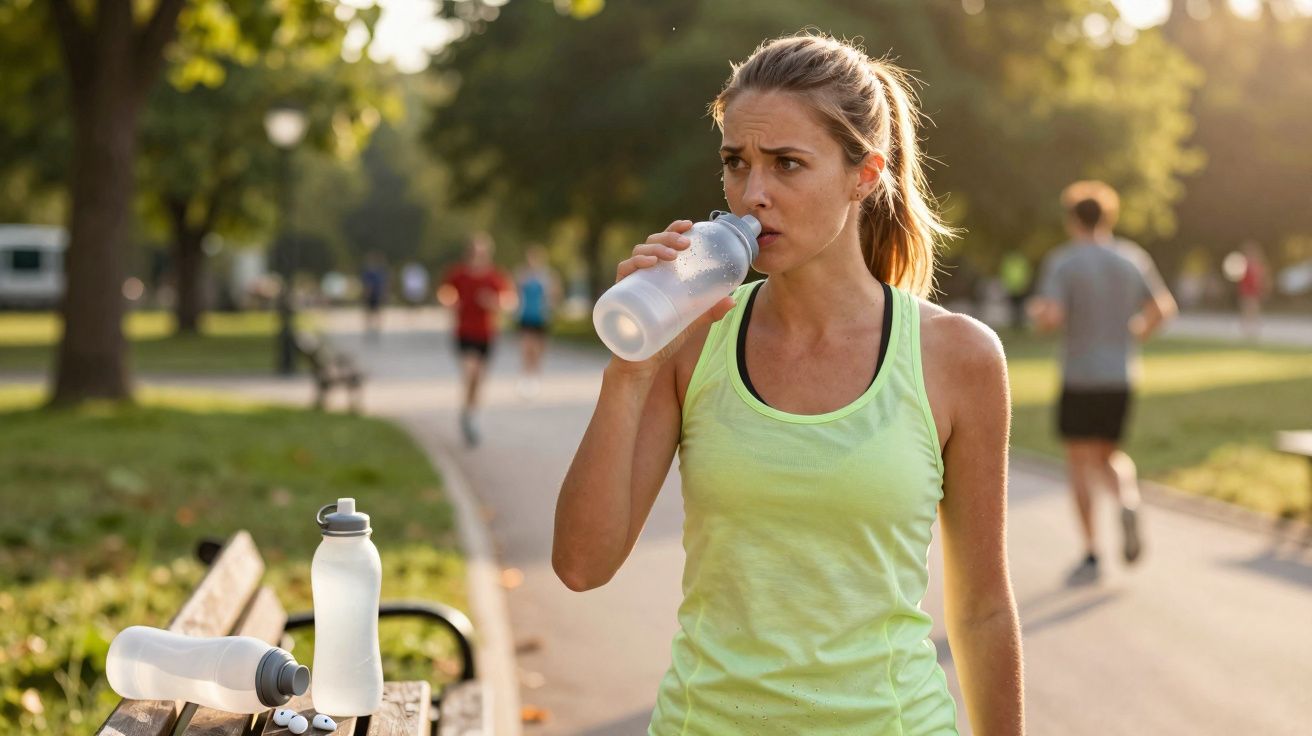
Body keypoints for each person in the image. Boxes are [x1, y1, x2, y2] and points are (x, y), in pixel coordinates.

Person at [554, 34, 1023, 735]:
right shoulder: (694, 339)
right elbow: (581, 565)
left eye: (787, 164)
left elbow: (983, 609)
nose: (753, 195)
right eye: (735, 163)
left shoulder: (958, 358)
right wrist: (631, 370)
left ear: (864, 175)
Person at [1028, 180, 1178, 586]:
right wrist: (1135, 333)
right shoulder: (1132, 258)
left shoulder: (1064, 262)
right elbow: (1163, 308)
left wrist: (1037, 314)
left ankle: (1092, 552)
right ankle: (1127, 500)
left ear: (1072, 219)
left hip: (1079, 376)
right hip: (1120, 375)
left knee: (1079, 463)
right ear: (1108, 216)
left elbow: (1052, 317)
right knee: (1110, 455)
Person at [438, 234, 513, 447]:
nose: (479, 255)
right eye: (475, 251)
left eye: (483, 252)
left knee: (478, 379)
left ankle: (470, 414)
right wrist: (449, 301)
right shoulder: (459, 273)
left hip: (486, 334)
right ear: (469, 252)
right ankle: (468, 414)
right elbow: (445, 292)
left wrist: (493, 302)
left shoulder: (495, 276)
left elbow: (508, 301)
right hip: (464, 332)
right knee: (470, 371)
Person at [514, 245, 560, 398]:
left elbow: (555, 295)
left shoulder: (548, 276)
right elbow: (516, 293)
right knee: (527, 347)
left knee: (539, 349)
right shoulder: (522, 275)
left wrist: (552, 302)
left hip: (542, 317)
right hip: (526, 316)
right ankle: (526, 377)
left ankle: (535, 376)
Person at [1237, 240, 1269, 341]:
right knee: (1247, 310)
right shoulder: (1244, 264)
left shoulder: (1257, 265)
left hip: (1253, 291)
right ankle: (1247, 330)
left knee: (1253, 310)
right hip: (1246, 291)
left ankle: (1253, 330)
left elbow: (1261, 279)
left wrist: (1262, 289)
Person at [999, 250, 1032, 330]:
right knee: (1013, 307)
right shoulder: (1011, 262)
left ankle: (1020, 323)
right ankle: (1014, 323)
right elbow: (1004, 275)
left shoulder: (1019, 262)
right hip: (1012, 288)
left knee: (1020, 306)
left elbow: (1026, 274)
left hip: (1020, 287)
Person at [360, 252, 388, 342]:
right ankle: (371, 329)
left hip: (375, 295)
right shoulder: (372, 273)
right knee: (371, 313)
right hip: (373, 295)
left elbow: (379, 285)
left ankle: (374, 329)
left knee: (374, 312)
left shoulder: (377, 272)